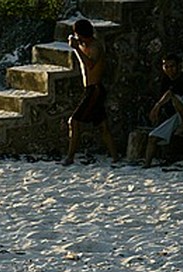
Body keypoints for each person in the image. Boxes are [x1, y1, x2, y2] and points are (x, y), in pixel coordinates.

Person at [62, 19, 119, 166]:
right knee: (102, 125)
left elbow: (90, 64)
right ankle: (115, 157)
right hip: (90, 89)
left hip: (95, 90)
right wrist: (73, 41)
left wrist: (76, 48)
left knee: (74, 121)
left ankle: (70, 157)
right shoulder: (85, 45)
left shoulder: (95, 46)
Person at [144, 54, 183, 168]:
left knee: (174, 95)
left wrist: (157, 106)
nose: (169, 69)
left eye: (172, 66)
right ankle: (147, 164)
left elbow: (170, 95)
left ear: (178, 66)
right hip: (177, 117)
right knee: (152, 137)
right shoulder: (165, 80)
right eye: (166, 67)